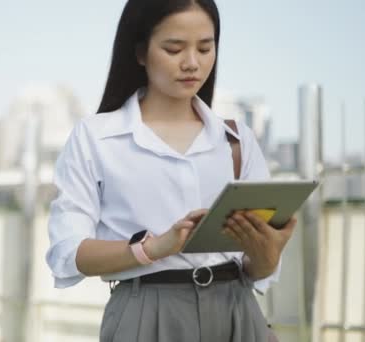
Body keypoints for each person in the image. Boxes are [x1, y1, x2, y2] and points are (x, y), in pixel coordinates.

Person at [45, 0, 297, 341]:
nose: (192, 63)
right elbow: (68, 252)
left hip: (238, 309)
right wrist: (154, 248)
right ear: (140, 52)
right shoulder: (97, 138)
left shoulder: (236, 140)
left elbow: (258, 272)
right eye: (174, 48)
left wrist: (268, 253)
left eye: (205, 48)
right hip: (146, 313)